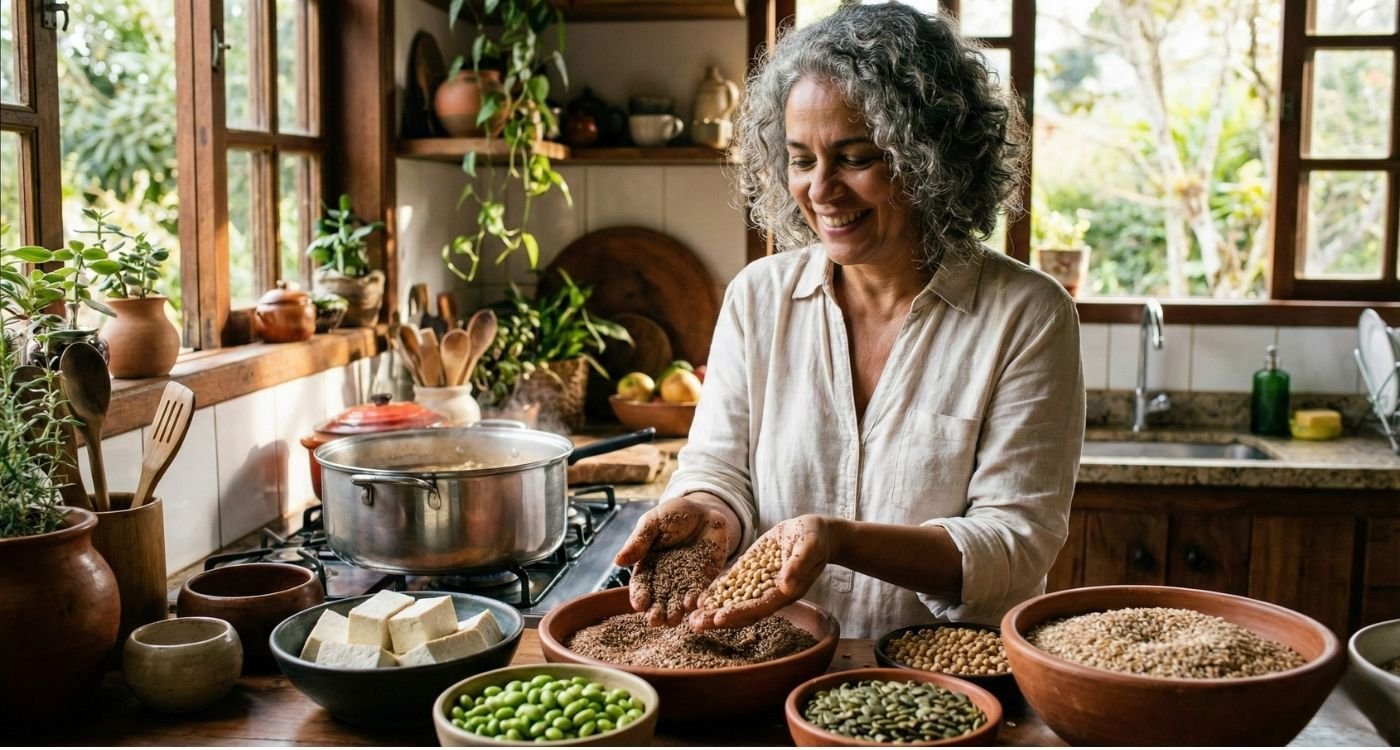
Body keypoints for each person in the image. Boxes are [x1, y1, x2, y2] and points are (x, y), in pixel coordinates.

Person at [613, 1, 1085, 639]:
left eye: (856, 158)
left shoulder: (1026, 314)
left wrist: (839, 541)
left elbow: (1015, 543)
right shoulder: (758, 298)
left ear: (931, 158)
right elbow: (719, 470)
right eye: (801, 160)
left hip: (942, 677)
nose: (821, 189)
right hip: (775, 658)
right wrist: (703, 512)